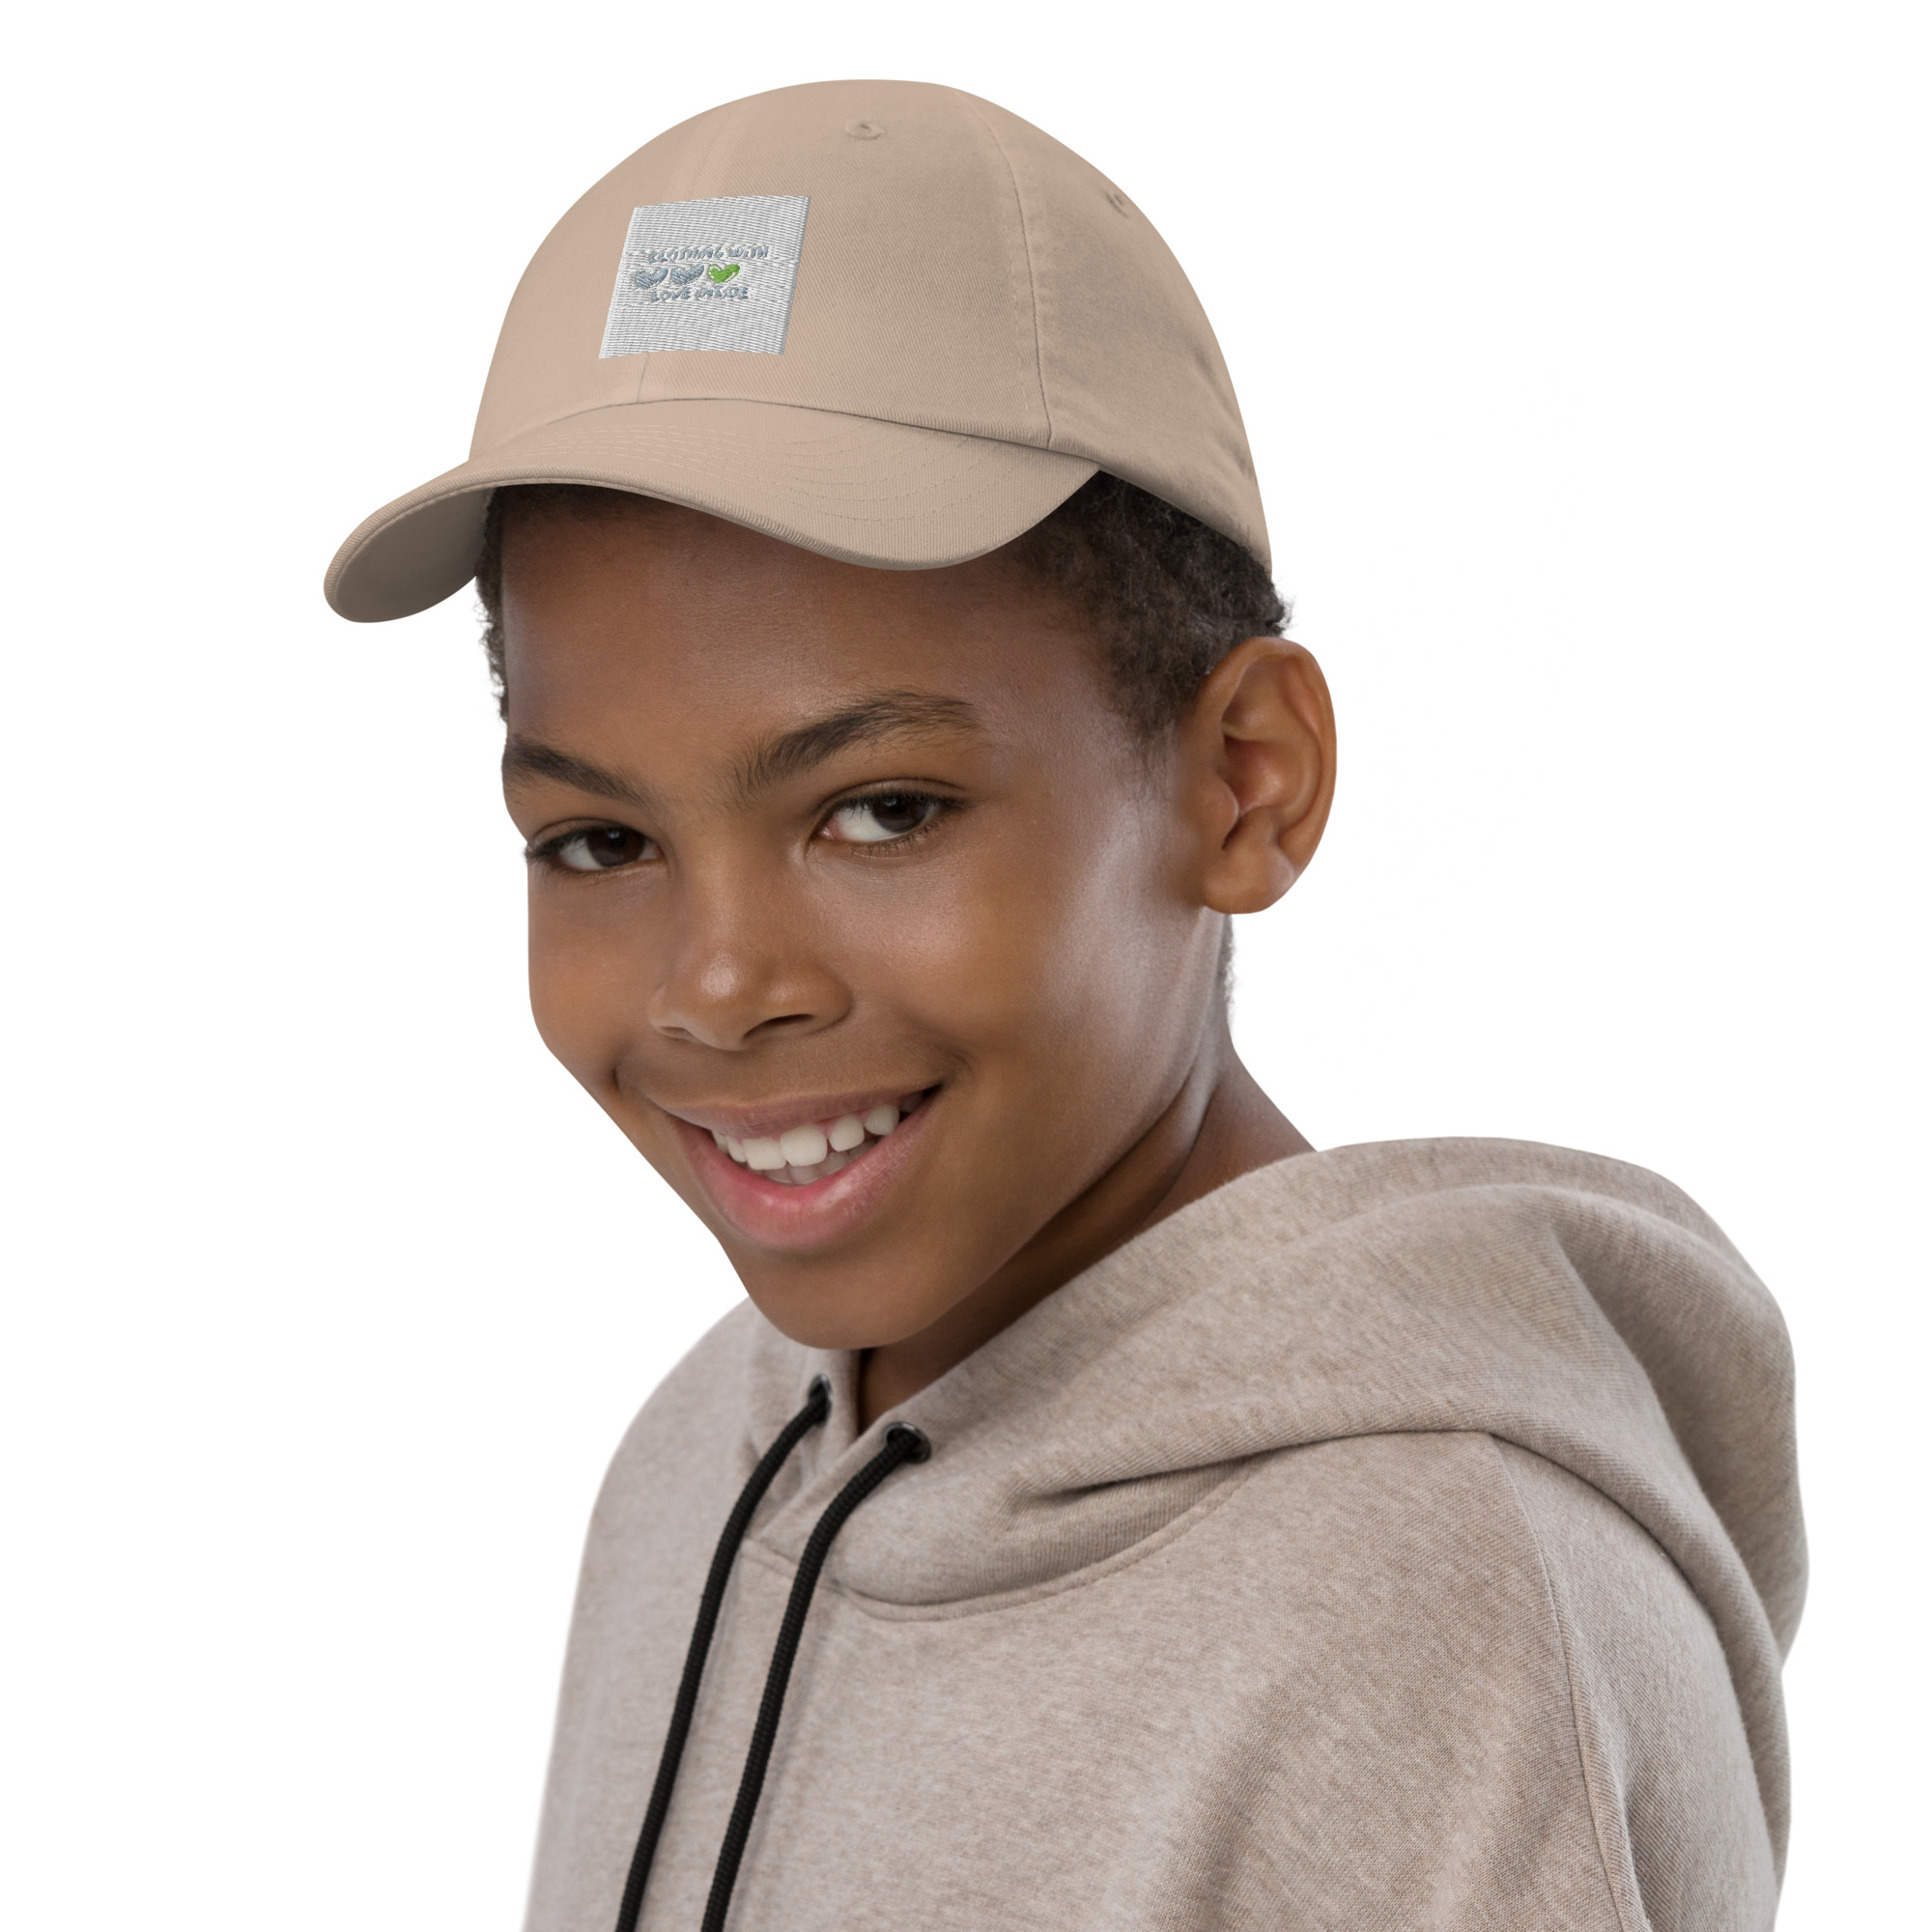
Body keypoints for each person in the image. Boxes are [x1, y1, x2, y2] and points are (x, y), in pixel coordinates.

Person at [326, 78, 1802, 1932]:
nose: (720, 986)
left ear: (1245, 782)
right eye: (600, 841)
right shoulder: (709, 1456)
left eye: (882, 811)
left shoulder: (1434, 1606)